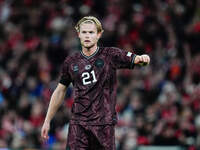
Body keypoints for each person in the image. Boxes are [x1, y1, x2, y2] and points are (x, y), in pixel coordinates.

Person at [41, 16, 150, 150]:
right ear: (79, 34)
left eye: (91, 32)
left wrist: (143, 58)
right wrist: (47, 120)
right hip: (78, 125)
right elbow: (60, 91)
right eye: (84, 32)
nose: (87, 36)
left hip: (103, 125)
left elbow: (136, 58)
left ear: (99, 34)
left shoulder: (110, 55)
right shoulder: (71, 62)